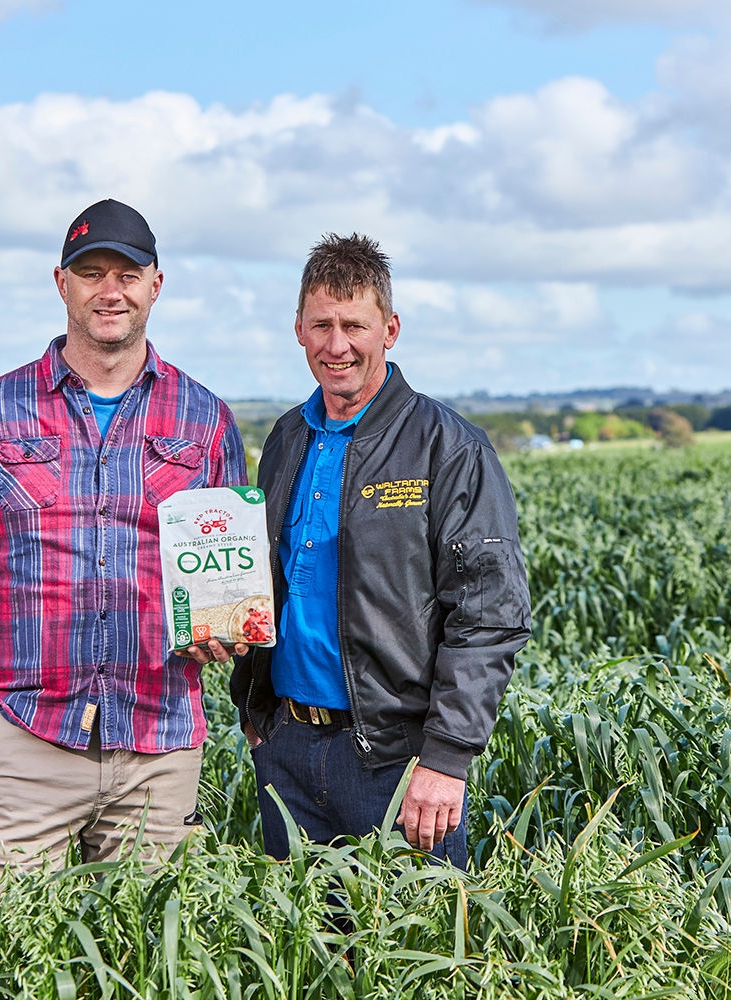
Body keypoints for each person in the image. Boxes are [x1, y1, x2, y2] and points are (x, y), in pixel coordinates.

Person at [0, 199, 245, 919]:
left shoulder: (205, 418)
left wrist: (226, 629)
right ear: (60, 284)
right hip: (28, 741)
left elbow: (226, 567)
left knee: (149, 966)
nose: (110, 289)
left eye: (127, 273)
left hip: (158, 747)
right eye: (90, 272)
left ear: (156, 285)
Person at [221, 233, 533, 867]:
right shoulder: (287, 438)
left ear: (389, 329)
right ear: (300, 331)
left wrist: (446, 759)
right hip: (288, 752)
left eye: (354, 325)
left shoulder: (448, 448)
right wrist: (255, 711)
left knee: (411, 959)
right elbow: (271, 580)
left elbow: (491, 613)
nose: (338, 346)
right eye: (322, 326)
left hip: (398, 764)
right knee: (302, 959)